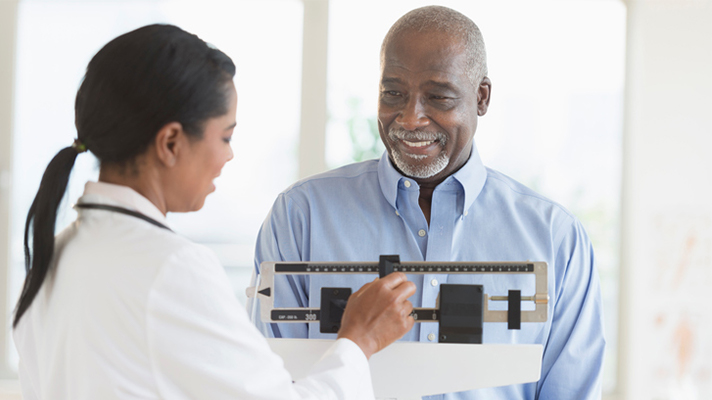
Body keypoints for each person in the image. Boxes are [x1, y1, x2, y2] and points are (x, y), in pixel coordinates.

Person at [13, 24, 416, 400]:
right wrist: (358, 341)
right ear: (171, 142)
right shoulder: (169, 269)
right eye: (225, 136)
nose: (228, 155)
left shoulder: (52, 259)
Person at [251, 5, 605, 400]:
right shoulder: (300, 218)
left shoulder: (557, 240)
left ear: (482, 97)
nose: (411, 118)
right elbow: (275, 385)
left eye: (438, 96)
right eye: (393, 93)